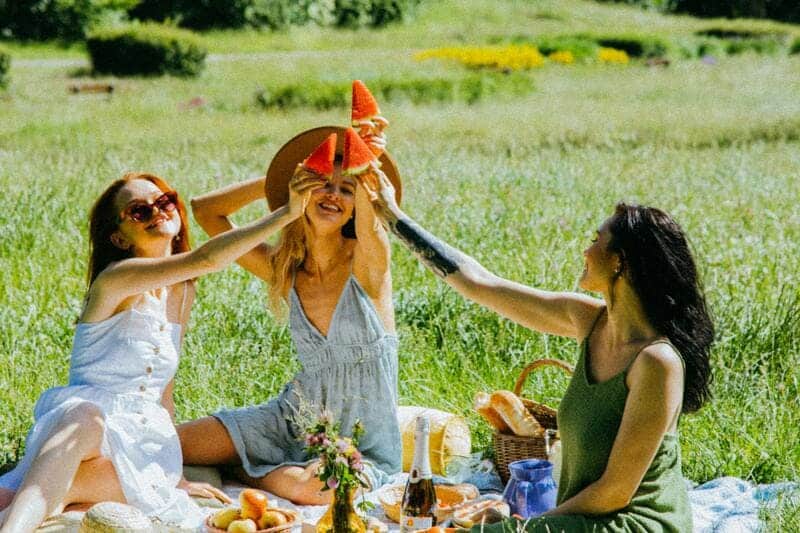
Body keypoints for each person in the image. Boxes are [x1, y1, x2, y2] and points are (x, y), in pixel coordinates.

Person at [360, 170, 714, 532]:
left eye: (595, 240)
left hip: (635, 524)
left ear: (619, 261)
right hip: (581, 518)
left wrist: (527, 525)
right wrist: (393, 217)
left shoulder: (657, 362)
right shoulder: (587, 320)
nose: (585, 250)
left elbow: (614, 493)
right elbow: (479, 283)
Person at [0, 170, 321, 532]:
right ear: (119, 238)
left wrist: (176, 474)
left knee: (55, 489)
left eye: (165, 201)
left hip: (140, 442)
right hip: (84, 430)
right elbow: (206, 259)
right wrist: (286, 213)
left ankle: (20, 509)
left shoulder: (181, 291)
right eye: (140, 211)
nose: (158, 212)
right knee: (85, 417)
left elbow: (163, 390)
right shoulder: (117, 279)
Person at [177, 124, 404, 505]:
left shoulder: (367, 263)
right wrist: (285, 180)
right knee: (173, 443)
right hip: (290, 419)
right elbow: (206, 211)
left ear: (357, 203)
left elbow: (374, 225)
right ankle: (266, 461)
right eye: (322, 184)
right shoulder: (284, 269)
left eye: (345, 189)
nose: (332, 195)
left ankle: (246, 469)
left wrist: (367, 166)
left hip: (360, 442)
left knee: (324, 488)